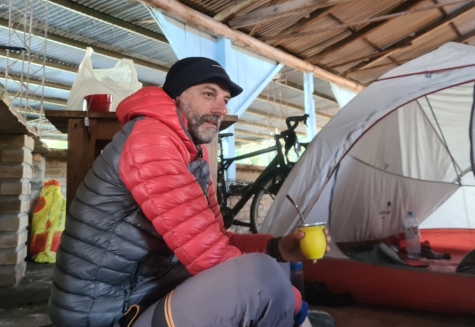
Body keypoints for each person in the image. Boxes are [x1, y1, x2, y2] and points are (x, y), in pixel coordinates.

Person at [47, 57, 334, 327]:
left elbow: (216, 238)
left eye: (225, 100)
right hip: (106, 313)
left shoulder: (192, 154)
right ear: (176, 97)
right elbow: (210, 255)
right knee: (263, 276)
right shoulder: (151, 139)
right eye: (208, 94)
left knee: (275, 264)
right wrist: (294, 305)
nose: (221, 109)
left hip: (145, 289)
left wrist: (277, 248)